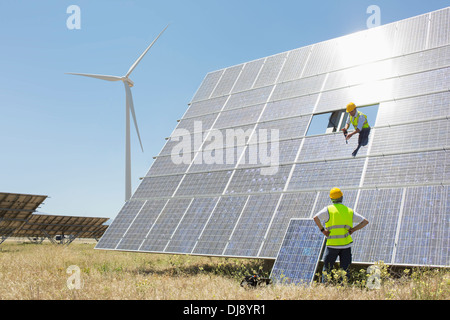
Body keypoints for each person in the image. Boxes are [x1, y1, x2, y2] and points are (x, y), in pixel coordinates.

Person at [313, 187, 369, 282]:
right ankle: (344, 289)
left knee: (327, 270)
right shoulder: (349, 211)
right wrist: (353, 230)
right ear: (342, 197)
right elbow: (365, 221)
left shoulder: (328, 210)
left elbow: (315, 218)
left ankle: (326, 288)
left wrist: (323, 230)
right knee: (345, 271)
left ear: (331, 198)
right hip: (346, 245)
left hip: (332, 245)